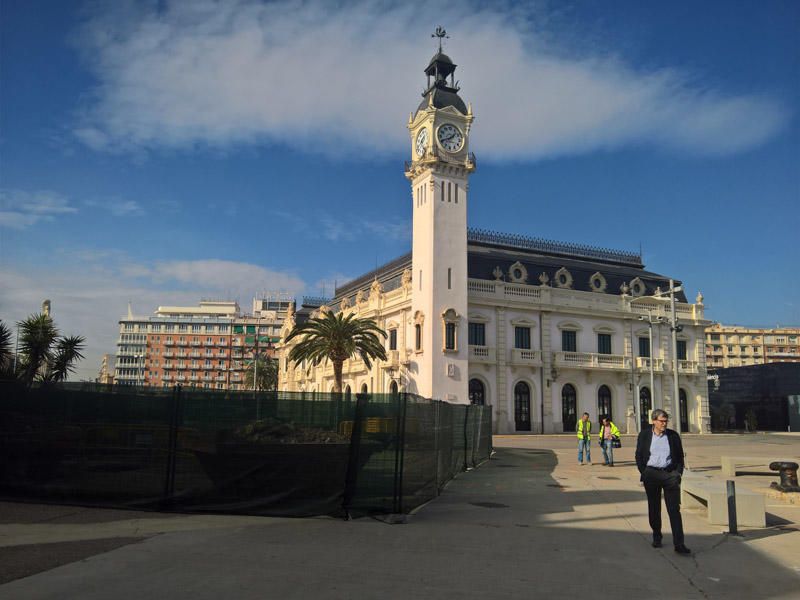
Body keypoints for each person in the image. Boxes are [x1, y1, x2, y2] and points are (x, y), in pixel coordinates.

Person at [635, 408, 691, 555]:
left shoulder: (673, 436)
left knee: (674, 510)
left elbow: (679, 457)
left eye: (666, 421)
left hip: (669, 475)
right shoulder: (645, 435)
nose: (664, 424)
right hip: (651, 474)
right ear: (654, 421)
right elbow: (639, 455)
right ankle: (657, 536)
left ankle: (679, 543)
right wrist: (644, 472)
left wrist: (678, 474)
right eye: (662, 421)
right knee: (654, 508)